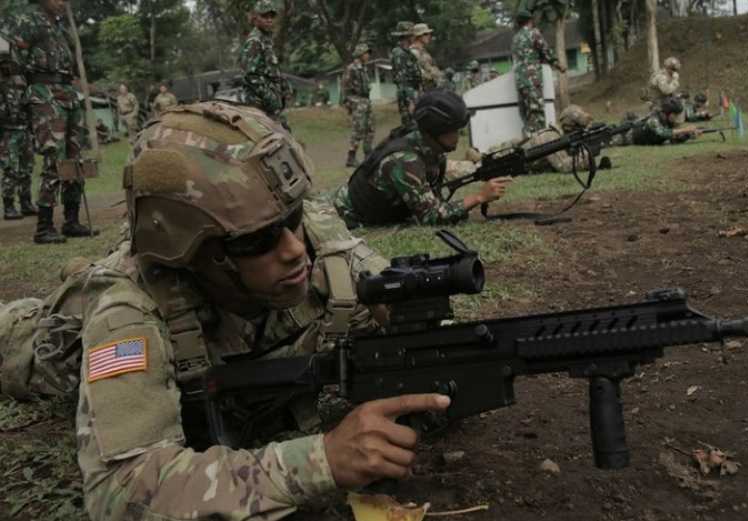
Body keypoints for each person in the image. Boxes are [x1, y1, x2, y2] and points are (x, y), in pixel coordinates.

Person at [0, 100, 453, 520]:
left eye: (293, 220)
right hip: (45, 348)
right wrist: (322, 460)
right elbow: (122, 491)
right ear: (192, 251)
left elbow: (381, 286)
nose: (296, 249)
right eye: (257, 241)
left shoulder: (291, 220)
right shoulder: (128, 310)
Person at [333, 89, 512, 228]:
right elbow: (430, 217)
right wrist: (479, 197)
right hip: (343, 215)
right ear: (435, 130)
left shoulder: (427, 145)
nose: (458, 136)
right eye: (453, 130)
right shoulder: (404, 160)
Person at [16, 0, 96, 244]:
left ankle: (71, 221)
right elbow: (16, 57)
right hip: (43, 92)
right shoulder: (29, 21)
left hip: (67, 93)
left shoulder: (61, 28)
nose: (63, 2)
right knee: (54, 158)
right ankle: (44, 226)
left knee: (75, 159)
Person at [484, 105, 598, 174]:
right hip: (495, 161)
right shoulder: (551, 138)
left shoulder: (559, 137)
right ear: (569, 127)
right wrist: (589, 155)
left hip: (505, 157)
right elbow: (564, 166)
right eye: (580, 130)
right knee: (468, 169)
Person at [0, 16, 37, 220]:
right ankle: (8, 206)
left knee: (27, 167)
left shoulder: (22, 79)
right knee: (10, 169)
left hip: (24, 128)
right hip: (7, 130)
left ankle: (25, 202)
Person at [512, 8, 565, 137]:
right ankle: (541, 145)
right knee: (538, 112)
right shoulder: (533, 33)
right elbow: (546, 52)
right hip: (532, 78)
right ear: (530, 20)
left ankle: (529, 140)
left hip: (520, 81)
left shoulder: (515, 38)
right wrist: (559, 65)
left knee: (528, 114)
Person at [239, 0, 291, 128]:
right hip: (259, 106)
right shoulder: (255, 41)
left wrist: (284, 86)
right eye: (264, 16)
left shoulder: (266, 40)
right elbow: (251, 76)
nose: (269, 20)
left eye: (271, 16)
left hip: (271, 106)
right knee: (279, 141)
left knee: (284, 139)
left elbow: (271, 70)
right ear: (255, 18)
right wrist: (270, 98)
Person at [343, 43, 375, 168]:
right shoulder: (352, 68)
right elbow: (345, 87)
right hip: (357, 101)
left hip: (366, 101)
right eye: (366, 53)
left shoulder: (364, 68)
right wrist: (349, 103)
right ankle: (351, 157)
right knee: (358, 129)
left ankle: (368, 155)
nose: (368, 55)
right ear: (360, 54)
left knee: (370, 128)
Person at [631, 96, 701, 145]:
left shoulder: (667, 122)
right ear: (668, 113)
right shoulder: (654, 119)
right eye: (675, 115)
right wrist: (686, 130)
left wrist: (689, 135)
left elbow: (672, 140)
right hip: (626, 138)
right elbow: (663, 133)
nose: (676, 117)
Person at [389, 21, 421, 128]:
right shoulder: (399, 53)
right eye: (412, 35)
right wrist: (410, 101)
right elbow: (402, 79)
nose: (414, 37)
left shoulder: (408, 53)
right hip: (408, 95)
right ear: (407, 37)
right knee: (410, 127)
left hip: (413, 92)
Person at [409, 23, 443, 93]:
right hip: (422, 91)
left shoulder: (423, 51)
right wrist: (433, 74)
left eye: (429, 34)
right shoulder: (414, 52)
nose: (429, 36)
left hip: (430, 89)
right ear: (419, 36)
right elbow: (418, 74)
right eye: (426, 34)